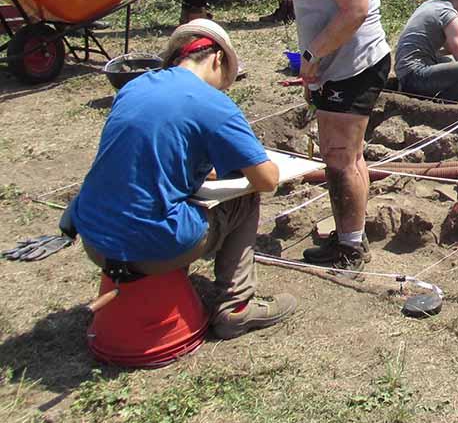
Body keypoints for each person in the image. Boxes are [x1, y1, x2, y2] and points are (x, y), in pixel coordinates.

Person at [66, 19, 297, 339]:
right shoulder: (212, 102)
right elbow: (267, 179)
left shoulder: (135, 86)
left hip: (96, 241)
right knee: (246, 197)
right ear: (218, 59)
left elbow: (150, 156)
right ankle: (237, 305)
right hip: (147, 247)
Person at [260, 0, 391, 270]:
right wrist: (313, 62)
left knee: (339, 158)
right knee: (349, 156)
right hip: (336, 64)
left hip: (353, 64)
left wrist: (313, 55)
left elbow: (355, 9)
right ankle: (351, 235)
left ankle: (350, 249)